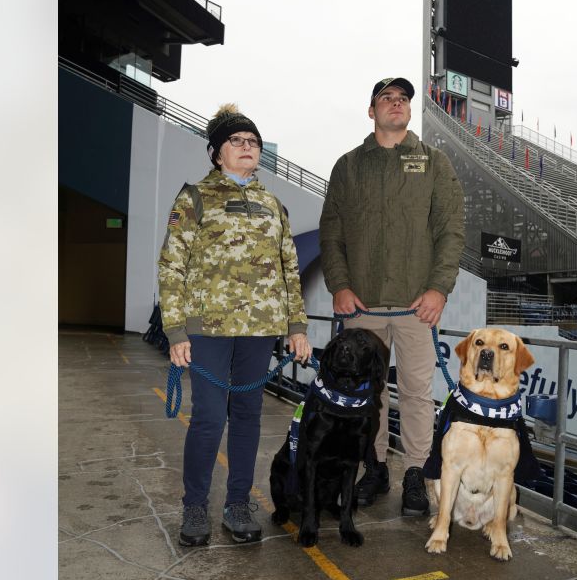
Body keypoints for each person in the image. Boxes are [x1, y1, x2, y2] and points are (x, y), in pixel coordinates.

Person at [158, 103, 313, 546]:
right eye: (237, 141)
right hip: (207, 327)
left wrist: (296, 326)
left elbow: (289, 268)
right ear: (216, 152)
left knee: (247, 417)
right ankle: (194, 507)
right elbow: (172, 265)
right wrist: (175, 330)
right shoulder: (194, 198)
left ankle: (238, 503)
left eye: (254, 142)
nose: (247, 147)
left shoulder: (272, 204)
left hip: (259, 329)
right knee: (208, 417)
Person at [319, 77, 465, 517]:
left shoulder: (436, 163)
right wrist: (340, 285)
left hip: (415, 306)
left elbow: (450, 231)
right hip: (361, 305)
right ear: (372, 111)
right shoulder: (348, 166)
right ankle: (375, 466)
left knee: (419, 393)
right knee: (366, 392)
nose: (396, 104)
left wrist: (439, 289)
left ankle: (416, 473)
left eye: (403, 99)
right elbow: (332, 232)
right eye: (387, 98)